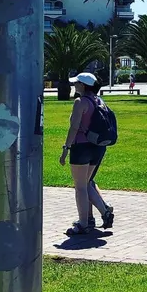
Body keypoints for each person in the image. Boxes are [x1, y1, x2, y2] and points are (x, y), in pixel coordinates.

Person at [59, 72, 114, 236]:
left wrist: (65, 148)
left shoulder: (80, 102)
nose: (74, 86)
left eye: (76, 83)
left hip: (81, 147)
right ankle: (104, 211)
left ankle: (83, 224)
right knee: (87, 182)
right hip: (98, 147)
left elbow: (74, 127)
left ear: (83, 86)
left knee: (80, 186)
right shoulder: (99, 101)